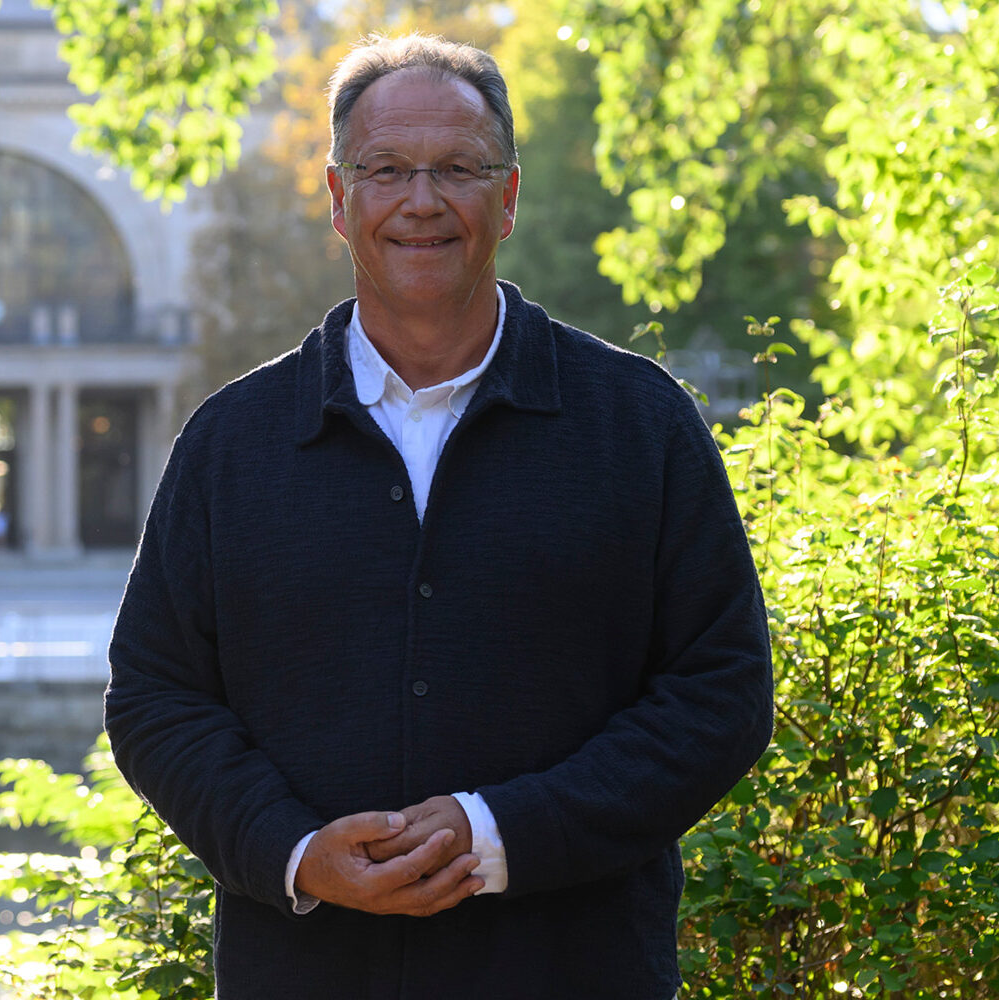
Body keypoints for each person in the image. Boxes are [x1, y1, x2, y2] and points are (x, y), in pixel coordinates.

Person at [104, 33, 772, 999]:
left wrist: (496, 834)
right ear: (338, 201)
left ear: (506, 197)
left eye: (457, 169)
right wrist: (293, 851)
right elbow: (156, 700)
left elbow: (719, 693)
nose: (421, 201)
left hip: (574, 974)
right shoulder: (231, 443)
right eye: (384, 170)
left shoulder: (638, 424)